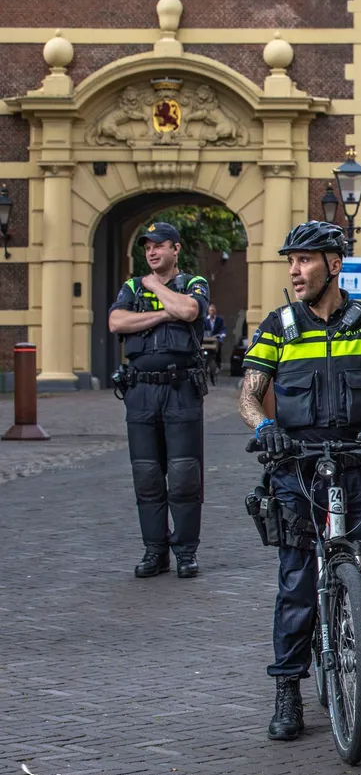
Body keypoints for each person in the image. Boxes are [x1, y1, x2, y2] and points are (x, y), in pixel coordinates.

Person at [238, 220, 361, 743]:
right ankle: (288, 693)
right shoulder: (278, 325)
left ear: (334, 265)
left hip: (360, 461)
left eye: (305, 260)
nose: (295, 271)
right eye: (290, 262)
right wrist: (266, 427)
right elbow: (249, 396)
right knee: (296, 581)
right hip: (295, 465)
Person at [108, 222, 210, 580]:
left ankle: (185, 552)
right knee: (147, 475)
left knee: (184, 475)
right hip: (140, 392)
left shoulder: (194, 284)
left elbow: (190, 312)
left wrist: (156, 289)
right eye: (148, 247)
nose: (152, 252)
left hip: (181, 389)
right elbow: (117, 322)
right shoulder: (132, 287)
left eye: (159, 246)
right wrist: (164, 311)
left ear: (175, 249)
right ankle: (155, 552)